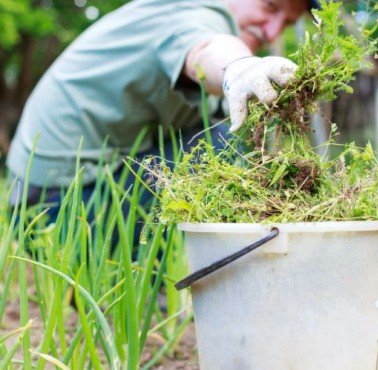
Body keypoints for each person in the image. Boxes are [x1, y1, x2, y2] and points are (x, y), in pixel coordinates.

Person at [7, 0, 319, 232]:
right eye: (270, 6)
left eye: (287, 23)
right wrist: (239, 66)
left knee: (230, 127)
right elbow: (205, 49)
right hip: (55, 206)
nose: (273, 30)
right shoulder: (193, 11)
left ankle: (152, 272)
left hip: (61, 194)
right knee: (228, 140)